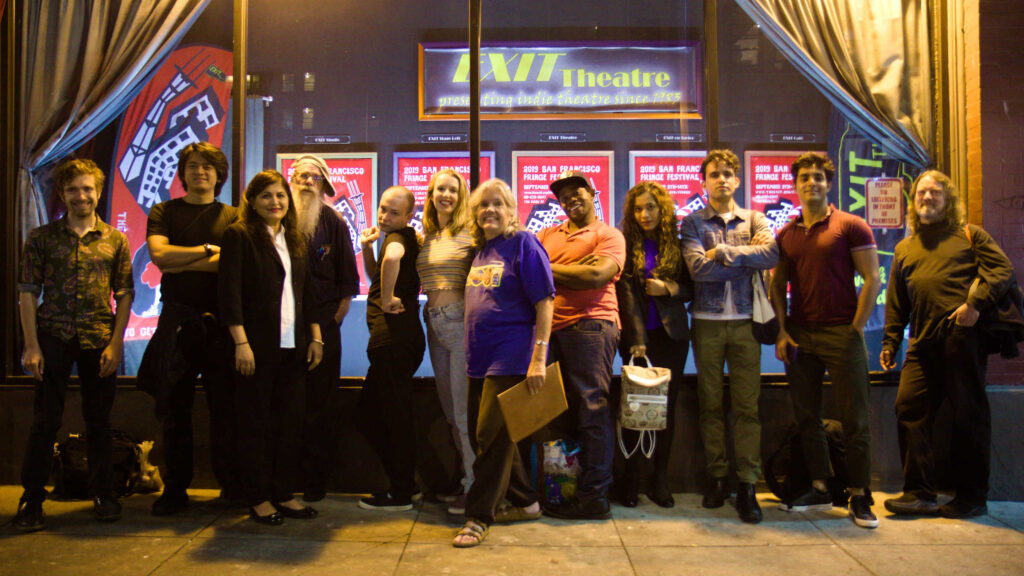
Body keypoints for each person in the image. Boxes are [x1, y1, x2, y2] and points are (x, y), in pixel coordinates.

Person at [881, 170, 1014, 519]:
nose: (926, 198)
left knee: (968, 416)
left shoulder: (969, 235)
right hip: (921, 344)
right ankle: (919, 493)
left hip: (962, 339)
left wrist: (975, 304)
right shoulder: (905, 248)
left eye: (934, 192)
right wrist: (891, 341)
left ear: (948, 199)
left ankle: (972, 497)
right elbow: (897, 302)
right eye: (921, 193)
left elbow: (1002, 271)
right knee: (908, 408)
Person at [14, 159, 134, 531]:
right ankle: (32, 499)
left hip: (99, 338)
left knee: (99, 422)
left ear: (97, 192)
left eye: (87, 189)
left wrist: (116, 344)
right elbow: (27, 294)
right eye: (72, 189)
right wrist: (31, 346)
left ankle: (104, 494)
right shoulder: (41, 238)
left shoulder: (116, 239)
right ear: (62, 194)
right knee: (44, 422)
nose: (81, 196)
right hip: (53, 337)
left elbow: (125, 293)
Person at [770, 152, 881, 529]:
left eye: (818, 177)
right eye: (804, 177)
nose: (811, 183)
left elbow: (872, 279)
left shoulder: (851, 225)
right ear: (796, 184)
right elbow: (776, 284)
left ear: (828, 183)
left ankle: (861, 494)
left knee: (856, 419)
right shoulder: (787, 234)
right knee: (807, 416)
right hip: (800, 335)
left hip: (841, 335)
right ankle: (819, 486)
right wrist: (783, 331)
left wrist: (854, 329)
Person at [140, 142, 240, 516]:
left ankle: (231, 486)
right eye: (192, 166)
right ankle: (175, 489)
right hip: (177, 319)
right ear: (182, 174)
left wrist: (182, 260)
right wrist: (206, 251)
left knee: (225, 409)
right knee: (174, 409)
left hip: (220, 322)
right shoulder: (164, 211)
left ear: (219, 174)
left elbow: (232, 265)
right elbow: (160, 257)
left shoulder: (234, 214)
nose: (200, 172)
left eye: (207, 166)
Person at [453, 178, 554, 548]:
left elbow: (545, 302)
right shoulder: (483, 251)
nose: (489, 210)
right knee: (499, 435)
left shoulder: (523, 244)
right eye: (482, 205)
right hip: (478, 359)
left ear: (511, 211)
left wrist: (538, 358)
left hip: (510, 357)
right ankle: (526, 502)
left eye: (498, 204)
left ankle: (478, 516)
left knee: (489, 437)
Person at [219, 170, 323, 525]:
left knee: (289, 424)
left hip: (293, 348)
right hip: (255, 348)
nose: (275, 202)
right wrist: (241, 343)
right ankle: (259, 498)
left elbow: (306, 291)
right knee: (255, 425)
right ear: (252, 201)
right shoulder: (239, 236)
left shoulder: (294, 238)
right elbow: (229, 293)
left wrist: (316, 336)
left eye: (280, 196)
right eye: (266, 196)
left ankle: (284, 493)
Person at [680, 149, 777, 524]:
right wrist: (741, 261)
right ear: (703, 182)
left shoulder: (754, 218)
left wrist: (721, 251)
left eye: (727, 174)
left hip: (746, 324)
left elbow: (770, 254)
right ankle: (718, 477)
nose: (721, 179)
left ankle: (748, 483)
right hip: (705, 322)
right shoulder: (691, 223)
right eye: (714, 174)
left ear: (737, 180)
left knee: (747, 407)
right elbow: (698, 271)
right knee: (709, 404)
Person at [537, 170, 626, 520]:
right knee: (556, 414)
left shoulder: (608, 234)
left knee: (592, 409)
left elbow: (596, 275)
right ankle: (563, 490)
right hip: (550, 329)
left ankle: (595, 496)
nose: (571, 199)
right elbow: (530, 268)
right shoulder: (547, 234)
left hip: (592, 325)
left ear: (593, 193)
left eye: (578, 192)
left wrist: (547, 266)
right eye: (564, 196)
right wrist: (568, 267)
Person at [615, 181, 693, 508]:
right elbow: (625, 295)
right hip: (636, 340)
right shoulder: (625, 243)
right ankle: (630, 482)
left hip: (671, 337)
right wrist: (635, 339)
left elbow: (692, 289)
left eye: (650, 207)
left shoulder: (678, 243)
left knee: (665, 411)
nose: (644, 214)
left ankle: (658, 482)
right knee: (634, 410)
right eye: (638, 208)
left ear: (662, 209)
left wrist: (669, 289)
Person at [289, 155, 359, 503]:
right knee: (287, 405)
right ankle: (284, 479)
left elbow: (348, 285)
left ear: (324, 186)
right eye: (301, 176)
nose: (306, 183)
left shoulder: (334, 223)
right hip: (285, 331)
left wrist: (330, 327)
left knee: (320, 406)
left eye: (314, 178)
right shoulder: (278, 219)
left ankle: (316, 482)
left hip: (326, 330)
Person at [356, 186, 426, 511]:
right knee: (376, 415)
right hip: (395, 341)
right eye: (382, 209)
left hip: (395, 341)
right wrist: (368, 249)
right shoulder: (394, 237)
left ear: (409, 216)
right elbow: (377, 273)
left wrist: (386, 300)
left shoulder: (399, 240)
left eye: (394, 212)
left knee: (382, 417)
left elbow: (393, 259)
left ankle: (403, 490)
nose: (385, 216)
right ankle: (404, 486)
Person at [415, 169, 477, 514]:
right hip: (433, 324)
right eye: (441, 189)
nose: (446, 195)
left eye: (453, 190)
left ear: (461, 196)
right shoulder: (428, 235)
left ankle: (477, 488)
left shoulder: (470, 234)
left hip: (460, 322)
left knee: (464, 415)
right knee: (452, 415)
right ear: (431, 193)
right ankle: (468, 481)